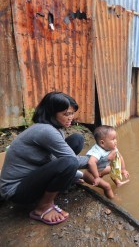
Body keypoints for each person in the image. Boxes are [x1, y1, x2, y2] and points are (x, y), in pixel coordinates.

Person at [0, 91, 86, 225]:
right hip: (16, 190)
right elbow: (70, 160)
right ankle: (42, 207)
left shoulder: (55, 129)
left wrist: (75, 174)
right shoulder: (46, 131)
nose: (71, 118)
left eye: (72, 113)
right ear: (52, 113)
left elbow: (53, 158)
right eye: (66, 114)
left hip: (32, 174)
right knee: (70, 162)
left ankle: (58, 184)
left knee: (77, 140)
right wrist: (94, 161)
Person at [79, 125, 130, 199]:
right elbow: (91, 162)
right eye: (113, 139)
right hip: (90, 174)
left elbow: (120, 157)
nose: (115, 141)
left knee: (112, 168)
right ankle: (113, 199)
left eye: (115, 138)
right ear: (102, 143)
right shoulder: (97, 151)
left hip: (101, 170)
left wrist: (123, 169)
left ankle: (118, 183)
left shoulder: (112, 147)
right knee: (107, 186)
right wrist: (97, 177)